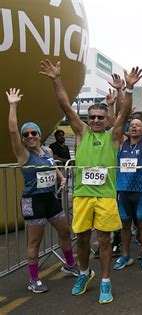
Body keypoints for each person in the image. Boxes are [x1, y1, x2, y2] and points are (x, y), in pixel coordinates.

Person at [40, 60, 141, 304]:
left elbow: (125, 113)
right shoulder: (82, 132)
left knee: (105, 241)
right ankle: (84, 274)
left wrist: (127, 89)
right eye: (92, 117)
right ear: (88, 119)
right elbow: (65, 105)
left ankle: (106, 281)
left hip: (105, 197)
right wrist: (56, 79)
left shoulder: (114, 136)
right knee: (83, 239)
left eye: (100, 117)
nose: (96, 120)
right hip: (83, 196)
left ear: (107, 120)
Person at [6, 88, 79, 294]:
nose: (30, 136)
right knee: (35, 241)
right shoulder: (23, 154)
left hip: (50, 199)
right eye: (26, 134)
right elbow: (12, 131)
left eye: (33, 133)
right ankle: (33, 279)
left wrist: (61, 177)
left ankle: (69, 264)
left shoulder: (47, 150)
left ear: (39, 135)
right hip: (34, 201)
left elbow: (52, 165)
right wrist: (13, 105)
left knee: (65, 231)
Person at [113, 116, 142, 272]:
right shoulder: (122, 143)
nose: (134, 127)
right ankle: (125, 255)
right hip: (123, 192)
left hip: (141, 192)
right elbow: (117, 123)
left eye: (138, 125)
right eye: (132, 125)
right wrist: (116, 103)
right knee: (125, 225)